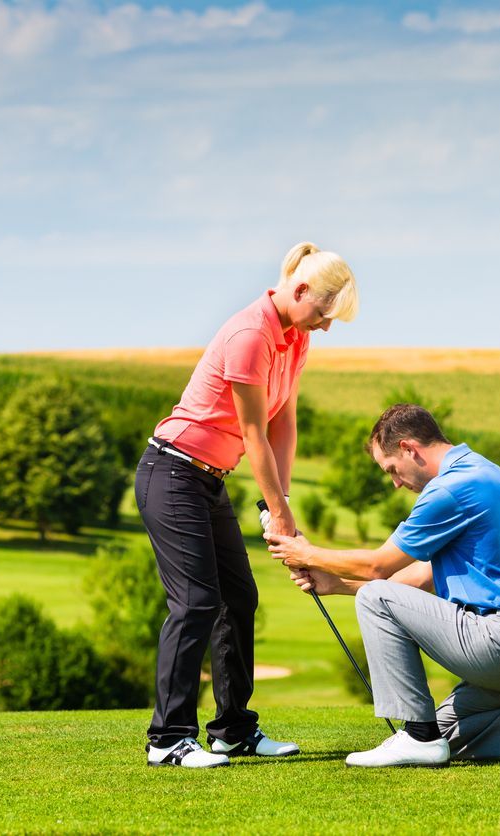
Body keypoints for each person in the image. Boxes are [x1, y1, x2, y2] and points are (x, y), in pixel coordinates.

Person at [138, 242, 358, 768]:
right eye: (324, 312)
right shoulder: (249, 335)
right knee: (195, 602)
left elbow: (284, 422)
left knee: (238, 598)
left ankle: (233, 730)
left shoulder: (293, 339)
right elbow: (253, 434)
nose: (325, 325)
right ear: (300, 290)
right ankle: (167, 739)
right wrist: (280, 516)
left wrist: (277, 499)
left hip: (208, 480)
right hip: (171, 473)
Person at [266, 403, 500, 768]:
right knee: (445, 741)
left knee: (422, 735)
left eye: (392, 470)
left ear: (408, 448)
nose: (396, 483)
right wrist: (338, 584)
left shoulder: (450, 489)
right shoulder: (487, 473)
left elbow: (377, 568)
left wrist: (307, 552)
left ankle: (416, 734)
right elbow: (422, 577)